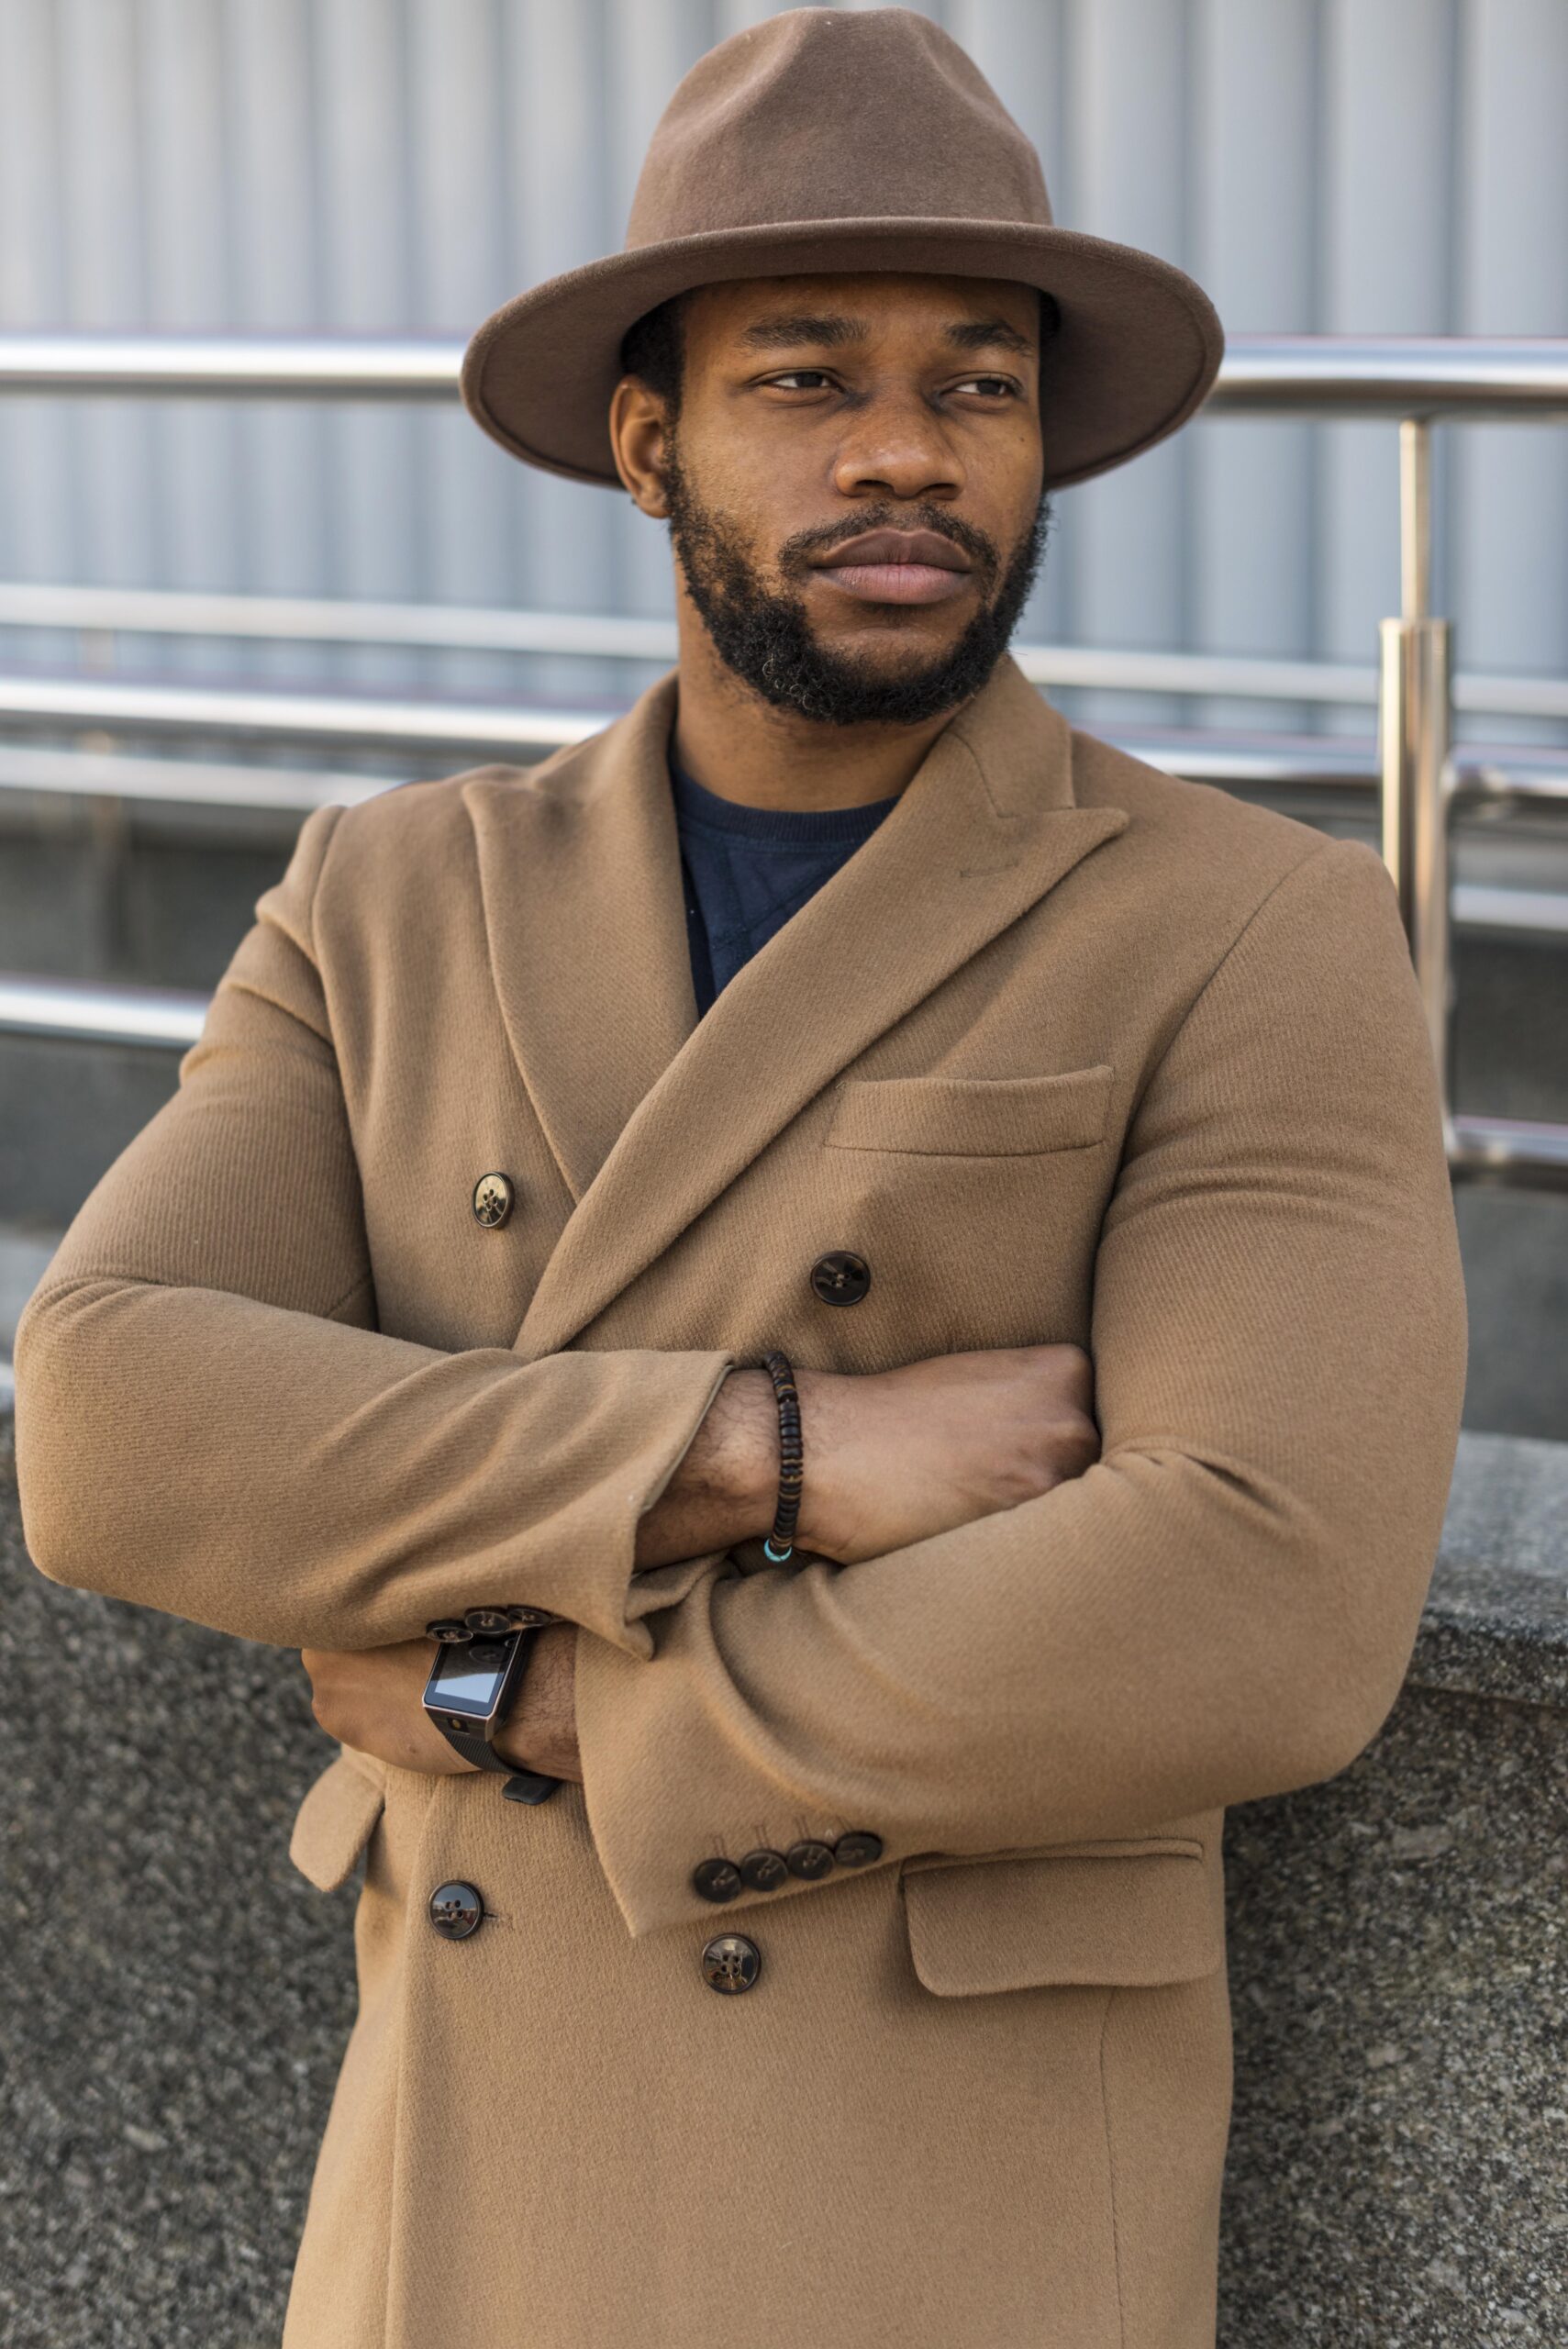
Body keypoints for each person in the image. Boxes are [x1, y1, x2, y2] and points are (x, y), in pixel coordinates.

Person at [14, 11, 1466, 2346]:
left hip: (949, 2198)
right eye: (808, 379)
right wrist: (763, 1441)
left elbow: (1267, 1588)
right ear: (644, 435)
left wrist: (543, 1704)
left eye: (979, 386)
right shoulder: (384, 893)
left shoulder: (1245, 921)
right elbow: (105, 1417)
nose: (909, 451)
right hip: (459, 2182)